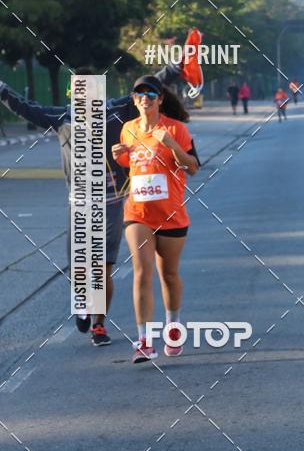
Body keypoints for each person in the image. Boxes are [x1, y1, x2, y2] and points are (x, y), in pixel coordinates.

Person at [0, 61, 184, 346]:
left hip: (112, 203)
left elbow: (151, 84)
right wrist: (2, 90)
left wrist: (177, 66)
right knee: (78, 268)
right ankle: (84, 304)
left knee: (101, 266)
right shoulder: (63, 117)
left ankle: (99, 324)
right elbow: (27, 108)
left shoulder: (116, 110)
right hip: (79, 203)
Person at [112, 75, 199, 364]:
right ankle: (144, 342)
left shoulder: (177, 129)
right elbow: (134, 169)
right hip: (138, 214)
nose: (145, 98)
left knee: (169, 275)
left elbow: (193, 168)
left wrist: (173, 144)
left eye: (151, 93)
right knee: (142, 273)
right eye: (139, 94)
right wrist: (119, 156)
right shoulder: (128, 130)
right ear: (134, 99)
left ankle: (172, 326)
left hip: (172, 215)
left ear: (160, 99)